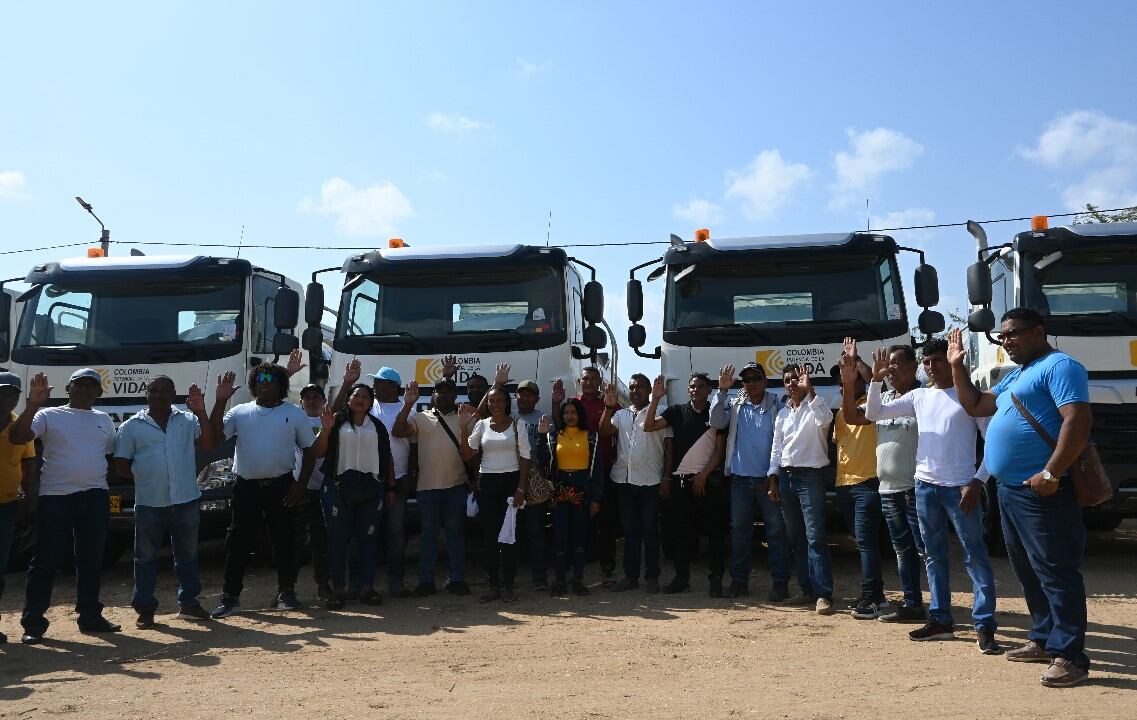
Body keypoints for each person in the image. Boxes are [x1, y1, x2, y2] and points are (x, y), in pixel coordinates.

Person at [948, 314, 1093, 687]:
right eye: (1002, 337)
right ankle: (1045, 638)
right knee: (1028, 571)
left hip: (1043, 491)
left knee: (1056, 571)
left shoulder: (1060, 366)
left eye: (1012, 334)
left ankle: (1070, 656)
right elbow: (976, 405)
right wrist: (956, 366)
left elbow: (1077, 419)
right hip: (1010, 491)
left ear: (1038, 331)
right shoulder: (1016, 374)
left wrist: (1051, 473)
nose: (1006, 341)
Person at [865, 338, 1002, 654]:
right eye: (927, 362)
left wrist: (977, 482)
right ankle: (940, 620)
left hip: (960, 489)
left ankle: (984, 627)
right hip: (925, 487)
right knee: (934, 556)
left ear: (953, 360)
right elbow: (874, 414)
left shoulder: (969, 398)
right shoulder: (919, 396)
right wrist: (874, 379)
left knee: (975, 556)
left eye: (938, 360)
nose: (931, 367)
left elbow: (993, 444)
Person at [11, 369, 120, 643]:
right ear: (68, 388)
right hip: (55, 497)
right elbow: (18, 437)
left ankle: (90, 616)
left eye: (91, 386)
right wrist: (34, 403)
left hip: (94, 497)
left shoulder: (104, 420)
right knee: (45, 560)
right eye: (79, 384)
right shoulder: (48, 415)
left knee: (91, 560)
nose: (84, 389)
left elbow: (106, 453)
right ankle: (33, 623)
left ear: (99, 392)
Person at [209, 365, 316, 618]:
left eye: (271, 379)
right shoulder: (239, 412)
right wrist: (220, 401)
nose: (265, 383)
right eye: (260, 379)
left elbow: (309, 451)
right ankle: (230, 598)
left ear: (282, 384)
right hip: (246, 488)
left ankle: (286, 593)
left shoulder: (295, 414)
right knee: (238, 543)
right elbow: (214, 437)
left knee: (284, 541)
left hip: (282, 486)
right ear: (253, 385)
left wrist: (300, 485)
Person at [114, 376, 216, 628]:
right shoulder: (130, 427)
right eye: (154, 390)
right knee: (145, 558)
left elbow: (208, 444)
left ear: (174, 394)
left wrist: (201, 411)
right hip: (150, 501)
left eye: (165, 390)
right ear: (146, 393)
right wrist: (149, 475)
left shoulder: (188, 420)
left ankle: (189, 603)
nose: (159, 395)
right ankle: (145, 609)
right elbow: (121, 466)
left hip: (186, 499)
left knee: (188, 556)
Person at [839, 340, 927, 624]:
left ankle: (939, 609)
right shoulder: (885, 401)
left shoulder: (924, 397)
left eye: (897, 364)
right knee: (903, 551)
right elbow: (852, 416)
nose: (891, 370)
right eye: (888, 365)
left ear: (914, 365)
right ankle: (912, 604)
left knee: (926, 551)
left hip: (917, 487)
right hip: (888, 489)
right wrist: (852, 375)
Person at [300, 383, 392, 608]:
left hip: (371, 488)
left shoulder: (378, 426)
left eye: (365, 396)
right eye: (356, 395)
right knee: (337, 540)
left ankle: (366, 588)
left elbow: (387, 457)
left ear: (371, 402)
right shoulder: (336, 421)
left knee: (368, 540)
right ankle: (338, 590)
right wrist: (326, 429)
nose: (360, 399)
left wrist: (390, 488)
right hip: (337, 487)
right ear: (348, 399)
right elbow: (318, 452)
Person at [709, 362, 796, 602]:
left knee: (777, 533)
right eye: (746, 380)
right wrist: (722, 390)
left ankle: (780, 584)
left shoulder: (777, 404)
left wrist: (775, 475)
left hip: (769, 481)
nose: (751, 383)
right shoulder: (736, 403)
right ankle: (739, 582)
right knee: (740, 533)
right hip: (740, 481)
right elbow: (716, 422)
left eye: (756, 378)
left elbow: (782, 443)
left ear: (765, 381)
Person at [334, 360, 415, 598]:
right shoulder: (368, 406)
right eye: (375, 382)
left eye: (380, 382)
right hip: (365, 484)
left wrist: (407, 477)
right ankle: (357, 584)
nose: (376, 385)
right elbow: (338, 412)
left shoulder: (407, 409)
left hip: (396, 482)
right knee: (360, 535)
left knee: (395, 534)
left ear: (393, 386)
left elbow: (409, 444)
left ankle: (395, 582)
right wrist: (348, 382)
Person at [646, 374, 728, 597]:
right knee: (681, 533)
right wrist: (655, 399)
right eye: (692, 386)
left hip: (708, 482)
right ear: (688, 389)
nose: (696, 390)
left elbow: (720, 451)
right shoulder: (675, 411)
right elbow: (649, 426)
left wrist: (703, 476)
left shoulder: (717, 413)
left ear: (709, 390)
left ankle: (716, 580)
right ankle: (682, 580)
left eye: (701, 387)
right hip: (681, 483)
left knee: (715, 533)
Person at [392, 378, 474, 597]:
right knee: (428, 536)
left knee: (456, 534)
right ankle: (426, 581)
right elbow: (398, 431)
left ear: (455, 396)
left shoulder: (464, 417)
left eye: (448, 391)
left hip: (457, 486)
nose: (443, 395)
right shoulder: (420, 417)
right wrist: (408, 403)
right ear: (433, 395)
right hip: (427, 488)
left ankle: (457, 579)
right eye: (439, 391)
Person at [769, 365, 835, 615]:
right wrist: (773, 478)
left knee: (815, 537)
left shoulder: (818, 405)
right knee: (796, 538)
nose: (791, 383)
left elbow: (826, 421)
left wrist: (811, 391)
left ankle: (823, 595)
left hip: (810, 476)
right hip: (786, 477)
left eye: (795, 379)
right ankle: (806, 589)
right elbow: (777, 448)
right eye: (787, 380)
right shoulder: (783, 413)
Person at [460, 387, 531, 603]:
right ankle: (493, 585)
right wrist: (463, 429)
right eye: (492, 401)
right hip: (487, 483)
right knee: (490, 537)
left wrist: (520, 488)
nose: (496, 404)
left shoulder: (518, 425)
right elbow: (466, 454)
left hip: (511, 482)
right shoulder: (481, 425)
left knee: (509, 535)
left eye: (500, 400)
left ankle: (508, 585)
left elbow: (525, 458)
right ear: (487, 403)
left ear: (506, 403)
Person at [832, 353, 888, 619]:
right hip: (845, 485)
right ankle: (876, 594)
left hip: (867, 483)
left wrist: (858, 362)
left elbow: (878, 383)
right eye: (842, 381)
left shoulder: (874, 405)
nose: (845, 384)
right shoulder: (842, 412)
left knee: (866, 542)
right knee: (861, 542)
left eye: (850, 379)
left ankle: (872, 596)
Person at [604, 374, 671, 594]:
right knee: (631, 533)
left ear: (649, 389)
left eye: (640, 387)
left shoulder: (661, 413)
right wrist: (607, 407)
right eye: (632, 387)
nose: (635, 391)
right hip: (624, 481)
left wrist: (666, 478)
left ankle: (652, 577)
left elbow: (670, 449)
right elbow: (604, 432)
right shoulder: (620, 414)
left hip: (651, 481)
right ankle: (631, 576)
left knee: (650, 531)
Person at [553, 367, 618, 586]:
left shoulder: (611, 403)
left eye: (593, 379)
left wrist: (609, 406)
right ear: (579, 381)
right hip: (570, 479)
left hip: (603, 470)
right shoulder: (573, 402)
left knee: (606, 523)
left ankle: (607, 567)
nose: (589, 382)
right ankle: (569, 574)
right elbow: (559, 429)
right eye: (585, 379)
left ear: (600, 381)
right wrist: (556, 403)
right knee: (572, 530)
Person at [534, 399, 604, 596]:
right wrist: (541, 436)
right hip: (560, 492)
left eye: (573, 412)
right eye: (566, 412)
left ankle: (578, 580)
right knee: (560, 537)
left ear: (580, 414)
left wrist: (597, 498)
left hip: (583, 491)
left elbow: (598, 471)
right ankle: (560, 580)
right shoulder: (553, 437)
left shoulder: (592, 437)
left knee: (580, 537)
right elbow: (543, 461)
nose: (570, 415)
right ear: (562, 416)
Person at [0, 372, 37, 644]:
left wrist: (30, 501)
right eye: (2, 392)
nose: (7, 398)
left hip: (7, 506)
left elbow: (28, 466)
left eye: (13, 394)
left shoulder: (20, 426)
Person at [513, 378, 551, 592]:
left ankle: (539, 577)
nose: (525, 397)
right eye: (521, 393)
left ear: (537, 398)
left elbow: (549, 453)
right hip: (510, 477)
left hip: (534, 479)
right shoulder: (508, 418)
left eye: (529, 394)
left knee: (536, 530)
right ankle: (509, 577)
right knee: (511, 530)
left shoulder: (544, 419)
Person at [295, 383, 331, 601]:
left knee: (322, 542)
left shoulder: (331, 422)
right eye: (307, 397)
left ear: (323, 400)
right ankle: (287, 588)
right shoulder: (293, 421)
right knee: (293, 542)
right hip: (298, 489)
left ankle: (323, 586)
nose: (312, 400)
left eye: (317, 397)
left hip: (324, 489)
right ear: (301, 402)